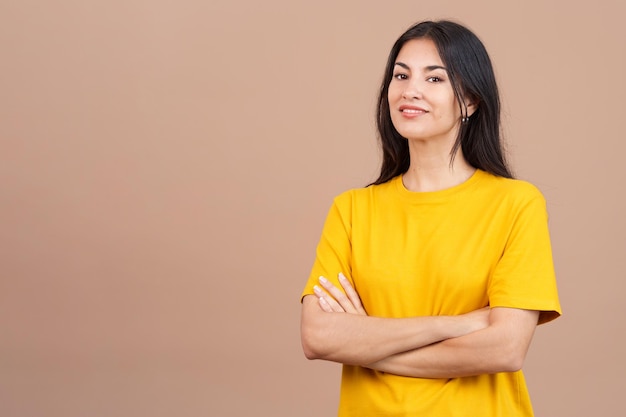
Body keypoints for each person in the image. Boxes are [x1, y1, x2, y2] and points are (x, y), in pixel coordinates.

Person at [299, 20, 561, 417]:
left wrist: (367, 344)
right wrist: (453, 325)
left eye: (434, 78)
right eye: (400, 75)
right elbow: (317, 337)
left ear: (470, 100)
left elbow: (505, 348)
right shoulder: (352, 210)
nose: (410, 90)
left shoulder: (516, 203)